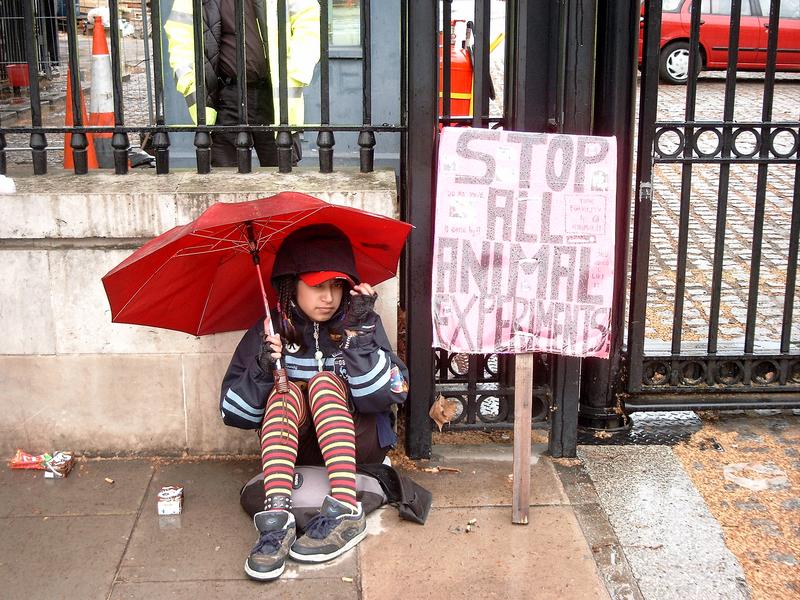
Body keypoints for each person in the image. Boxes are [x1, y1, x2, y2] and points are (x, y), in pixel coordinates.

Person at [220, 224, 409, 581]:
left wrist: (358, 337)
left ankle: (343, 511)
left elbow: (388, 395)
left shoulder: (362, 325)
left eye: (337, 286)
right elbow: (234, 414)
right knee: (286, 392)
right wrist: (262, 370)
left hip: (358, 445)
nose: (329, 297)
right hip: (296, 451)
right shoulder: (269, 330)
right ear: (292, 285)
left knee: (324, 383)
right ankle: (276, 522)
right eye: (317, 285)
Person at [164, 0, 320, 166]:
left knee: (282, 176)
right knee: (225, 180)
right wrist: (191, 83)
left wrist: (295, 71)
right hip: (224, 97)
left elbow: (309, 25)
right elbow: (180, 35)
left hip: (273, 95)